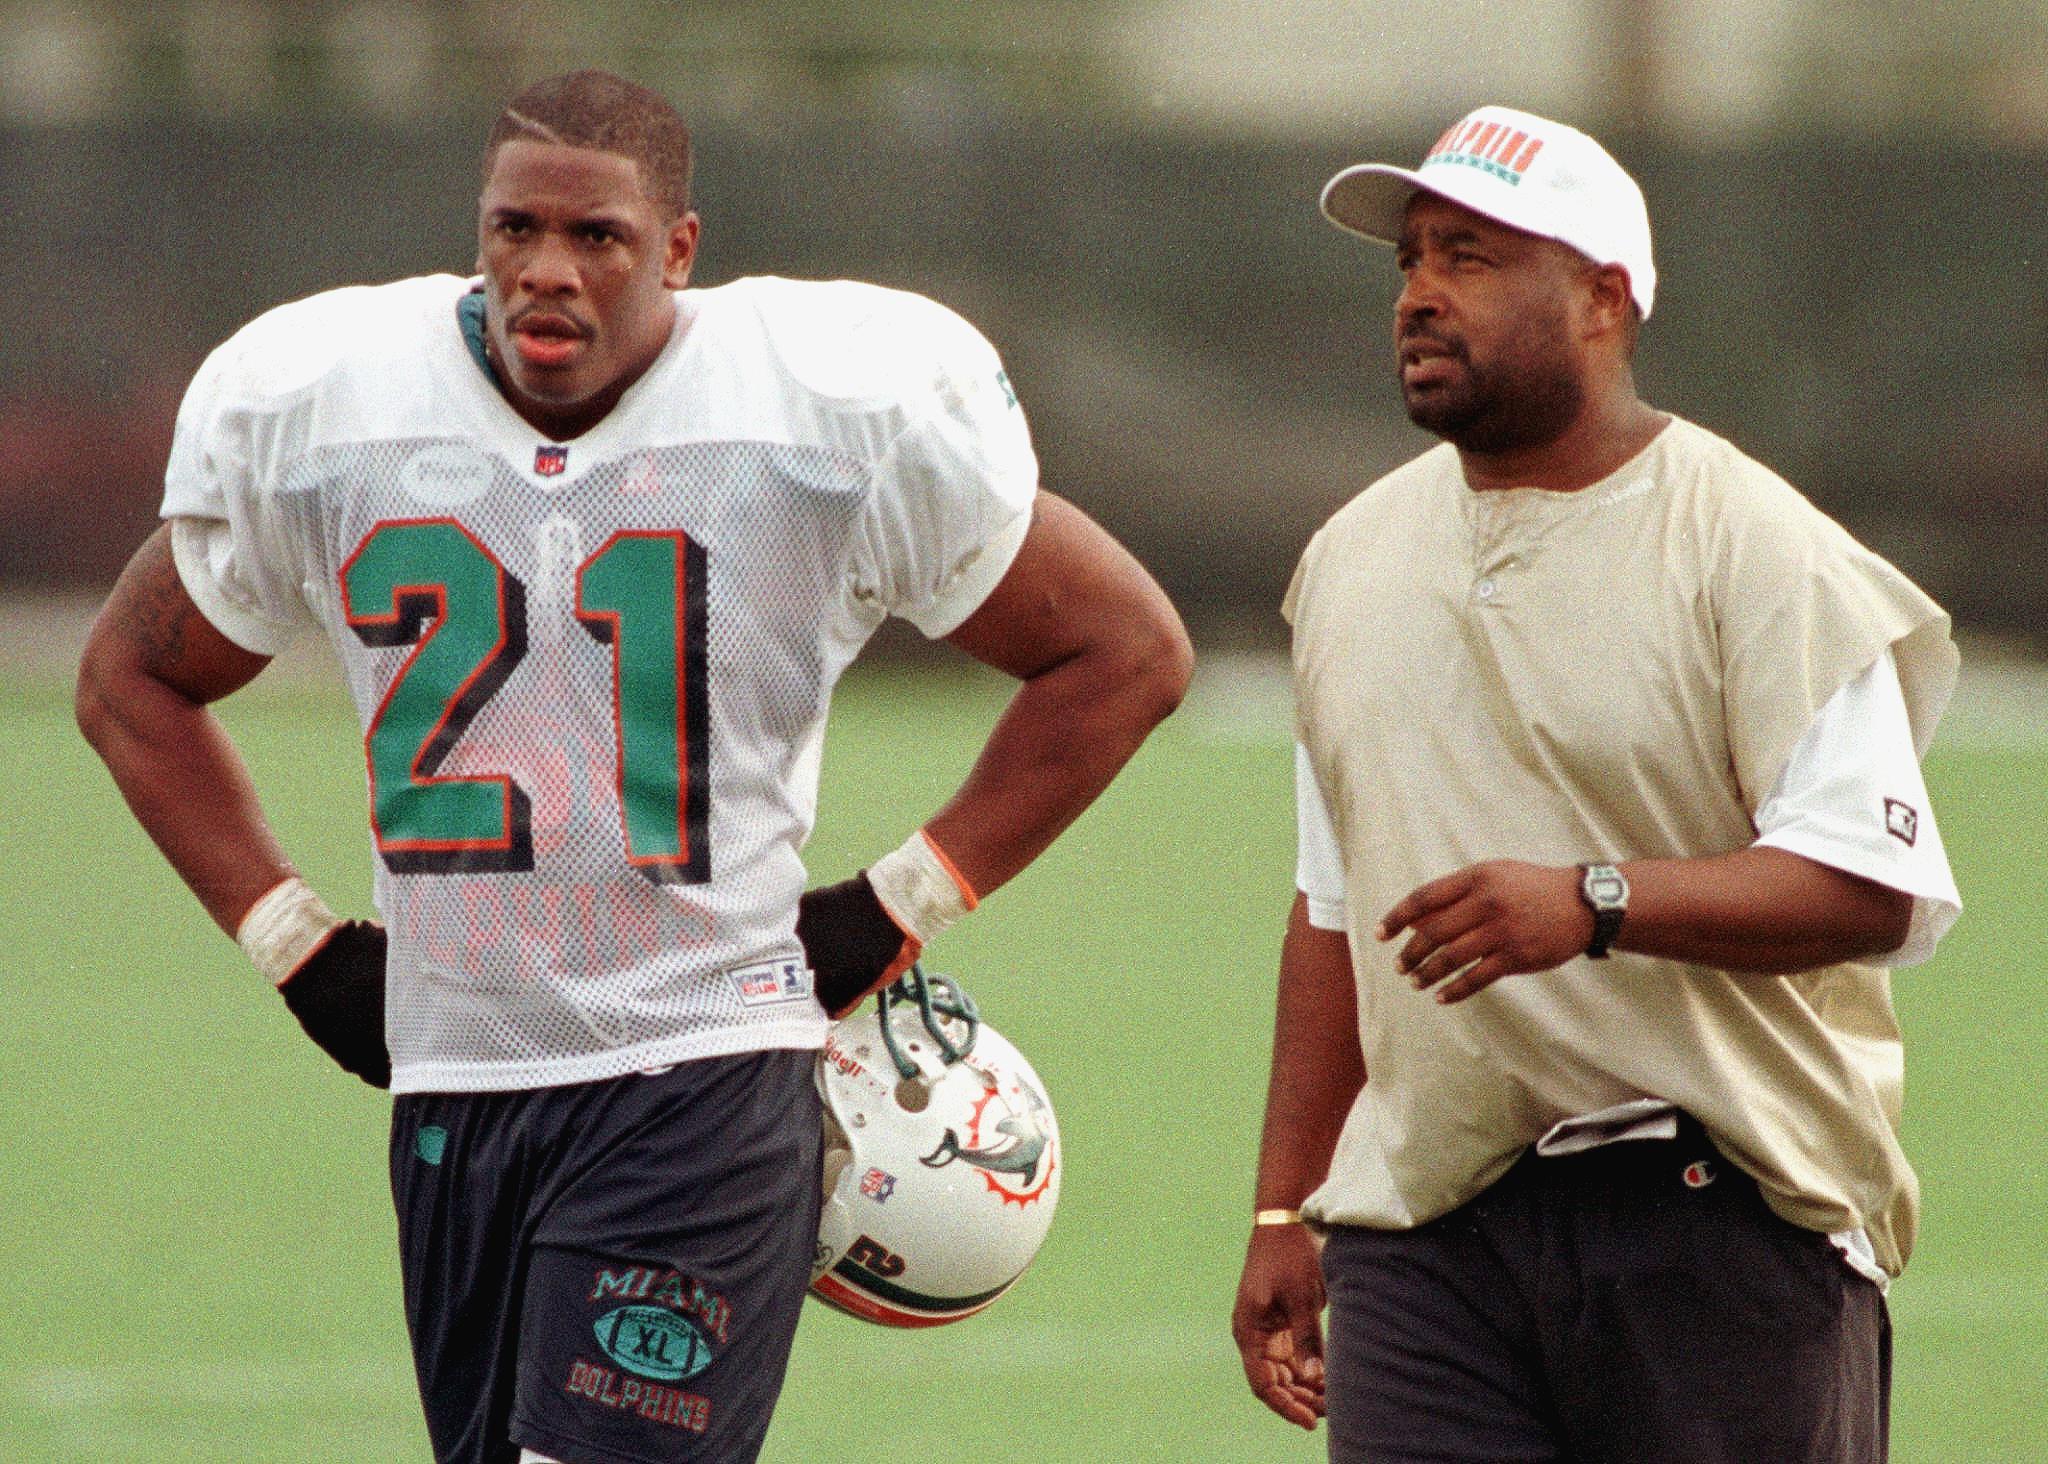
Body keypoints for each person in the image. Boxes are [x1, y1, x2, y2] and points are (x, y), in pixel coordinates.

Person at [75, 70, 1191, 1464]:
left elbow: (1125, 651)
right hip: (457, 1089)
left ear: (678, 249)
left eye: (595, 236)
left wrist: (902, 898)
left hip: (700, 1070)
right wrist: (291, 941)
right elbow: (131, 680)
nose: (545, 270)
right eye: (513, 229)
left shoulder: (820, 410)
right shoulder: (330, 404)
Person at [1230, 105, 1960, 1462]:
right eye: (1410, 262)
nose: (1422, 293)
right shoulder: (1350, 558)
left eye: (1474, 256)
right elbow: (1333, 906)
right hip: (1422, 1241)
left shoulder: (1754, 546)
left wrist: (1595, 901)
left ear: (1605, 301)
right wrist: (1287, 1206)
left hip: (1722, 1221)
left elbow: (1872, 886)